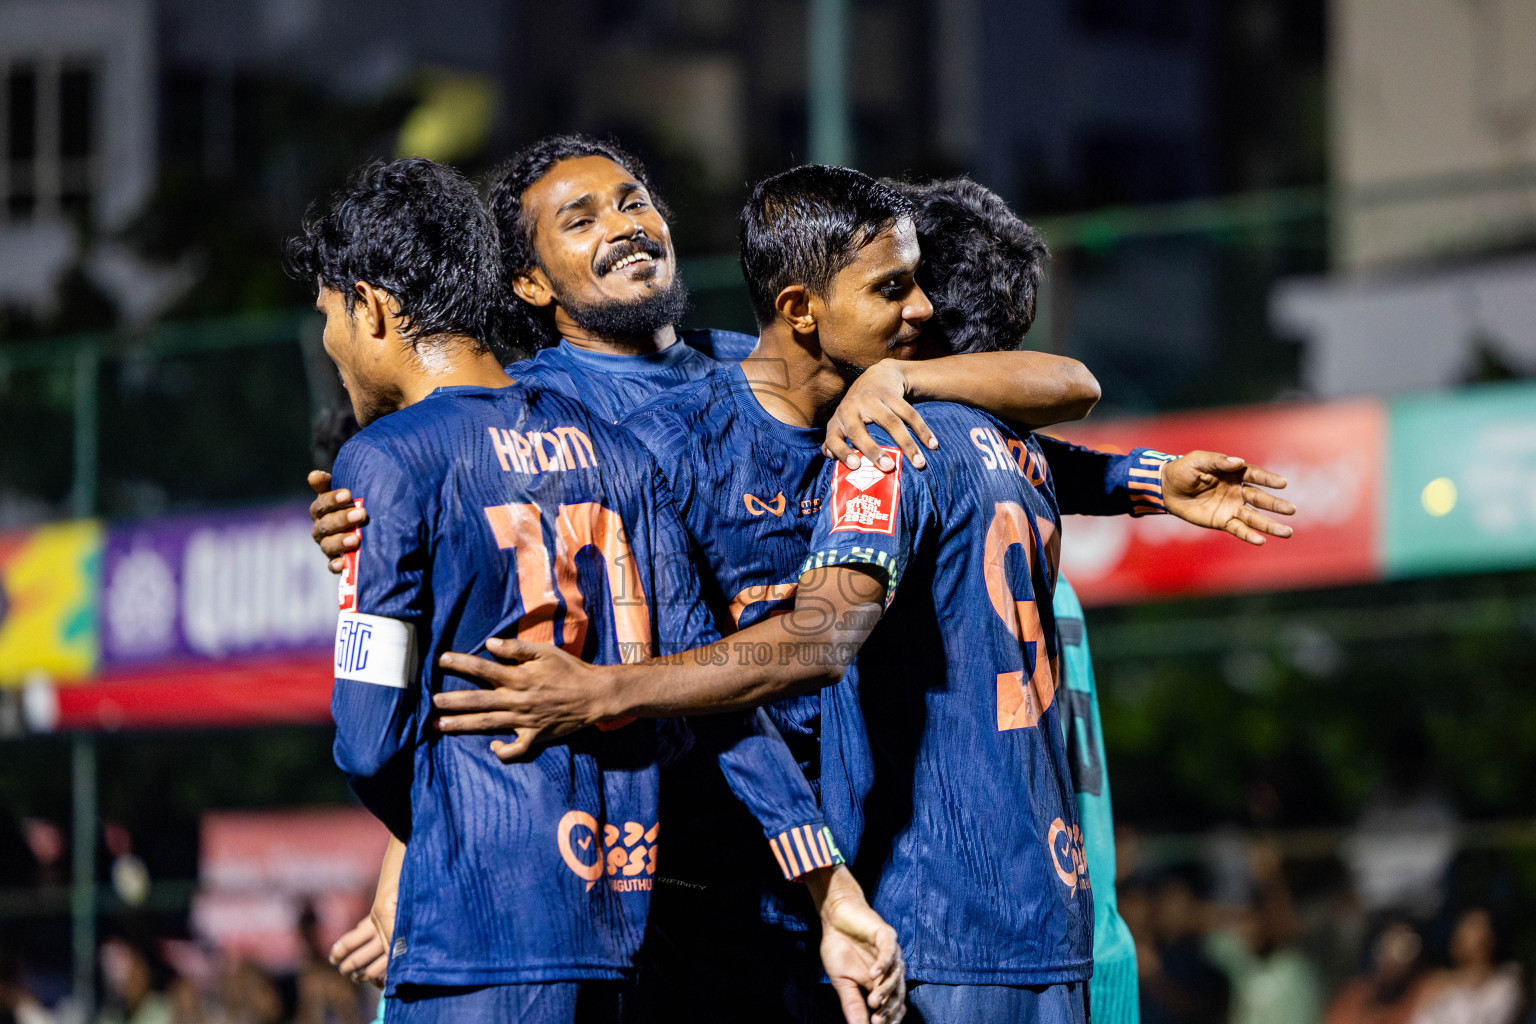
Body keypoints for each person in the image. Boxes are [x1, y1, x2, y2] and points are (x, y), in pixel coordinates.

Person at [429, 167, 1297, 1023]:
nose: (916, 311)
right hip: (713, 884)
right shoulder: (581, 425)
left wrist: (1138, 477)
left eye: (633, 201)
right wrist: (369, 507)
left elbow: (1048, 403)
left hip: (862, 880)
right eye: (892, 289)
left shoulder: (822, 391)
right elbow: (446, 457)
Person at [287, 157, 903, 1024]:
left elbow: (387, 733)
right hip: (652, 898)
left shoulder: (768, 370)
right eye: (580, 219)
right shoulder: (551, 414)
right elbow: (452, 671)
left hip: (796, 865)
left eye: (635, 200)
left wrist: (896, 377)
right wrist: (412, 870)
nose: (621, 224)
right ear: (528, 282)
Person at [1408, 908, 1521, 1024]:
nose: (1461, 933)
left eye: (1473, 926)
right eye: (1461, 926)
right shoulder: (1437, 983)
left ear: (1491, 938)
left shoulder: (1506, 982)